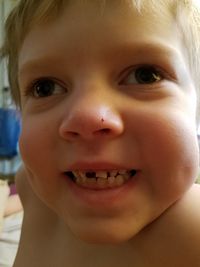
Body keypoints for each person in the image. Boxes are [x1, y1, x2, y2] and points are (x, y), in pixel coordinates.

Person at [1, 0, 200, 266]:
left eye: (144, 75)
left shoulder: (191, 230)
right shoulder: (31, 188)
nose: (87, 117)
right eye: (45, 88)